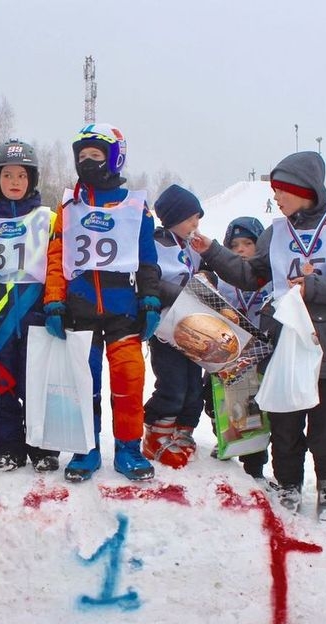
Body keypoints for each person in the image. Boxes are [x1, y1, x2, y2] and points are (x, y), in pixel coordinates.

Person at [190, 151, 326, 521]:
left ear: (304, 189)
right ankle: (288, 483)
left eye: (283, 190)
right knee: (285, 422)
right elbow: (248, 274)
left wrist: (314, 287)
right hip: (281, 342)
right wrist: (213, 251)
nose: (278, 198)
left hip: (324, 346)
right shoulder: (275, 231)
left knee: (324, 425)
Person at [43, 123, 161, 482]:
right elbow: (56, 254)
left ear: (114, 158)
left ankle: (128, 448)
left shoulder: (134, 207)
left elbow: (147, 257)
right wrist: (54, 301)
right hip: (80, 309)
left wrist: (151, 299)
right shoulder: (69, 206)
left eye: (96, 156)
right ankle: (86, 448)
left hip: (123, 308)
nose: (88, 162)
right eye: (82, 156)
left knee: (129, 380)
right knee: (84, 383)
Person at [0, 139, 60, 474]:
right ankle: (7, 446)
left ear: (32, 179)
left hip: (37, 314)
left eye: (22, 175)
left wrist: (59, 305)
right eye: (7, 175)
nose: (15, 182)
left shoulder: (49, 219)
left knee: (36, 382)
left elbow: (60, 264)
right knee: (1, 384)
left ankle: (43, 446)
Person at [203, 217, 272, 482]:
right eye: (234, 245)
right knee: (214, 401)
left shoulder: (269, 279)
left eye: (248, 243)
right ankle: (224, 438)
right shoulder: (223, 281)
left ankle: (255, 466)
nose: (241, 250)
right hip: (227, 358)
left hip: (260, 358)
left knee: (258, 411)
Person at [142, 184, 205, 469]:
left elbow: (203, 272)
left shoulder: (190, 246)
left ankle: (182, 431)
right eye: (191, 218)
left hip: (193, 327)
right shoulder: (157, 243)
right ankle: (156, 434)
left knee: (194, 384)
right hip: (166, 328)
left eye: (198, 219)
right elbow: (151, 279)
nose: (195, 224)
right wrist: (180, 293)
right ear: (173, 218)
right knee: (173, 382)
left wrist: (207, 280)